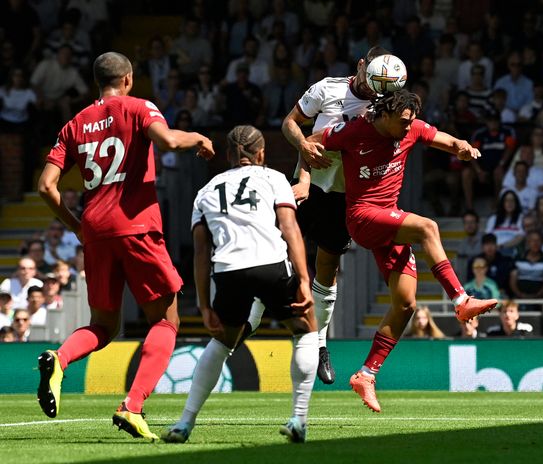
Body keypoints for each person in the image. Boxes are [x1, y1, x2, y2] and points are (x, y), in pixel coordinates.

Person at [35, 52, 214, 440]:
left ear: (97, 82)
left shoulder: (75, 123)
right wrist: (198, 137)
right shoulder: (138, 107)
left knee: (103, 324)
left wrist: (78, 227)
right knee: (166, 320)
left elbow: (46, 186)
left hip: (96, 231)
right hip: (135, 226)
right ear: (129, 79)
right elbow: (167, 141)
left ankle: (59, 358)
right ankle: (132, 406)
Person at [311, 89, 498, 412]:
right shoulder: (355, 130)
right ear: (383, 115)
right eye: (402, 121)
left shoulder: (410, 128)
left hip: (388, 219)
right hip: (362, 216)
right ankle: (461, 300)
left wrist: (463, 148)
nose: (407, 127)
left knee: (406, 303)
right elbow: (310, 140)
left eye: (410, 120)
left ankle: (366, 374)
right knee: (428, 227)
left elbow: (444, 139)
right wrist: (305, 174)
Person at [163, 126, 315, 444]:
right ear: (261, 154)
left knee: (221, 343)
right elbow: (290, 228)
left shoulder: (206, 190)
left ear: (230, 156)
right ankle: (298, 419)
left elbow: (201, 253)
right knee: (305, 331)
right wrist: (303, 277)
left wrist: (204, 305)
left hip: (228, 271)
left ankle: (184, 423)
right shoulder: (273, 178)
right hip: (270, 265)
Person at [282, 45, 390, 386]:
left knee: (327, 269)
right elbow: (290, 123)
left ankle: (319, 344)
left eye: (381, 83)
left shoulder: (383, 104)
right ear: (361, 66)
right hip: (307, 187)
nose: (373, 87)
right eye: (371, 77)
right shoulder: (327, 88)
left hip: (344, 197)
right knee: (276, 251)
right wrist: (302, 149)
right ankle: (249, 321)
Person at [455, 211, 482, 281]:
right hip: (465, 282)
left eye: (472, 222)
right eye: (466, 222)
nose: (469, 225)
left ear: (478, 224)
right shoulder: (461, 244)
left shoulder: (485, 241)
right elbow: (458, 268)